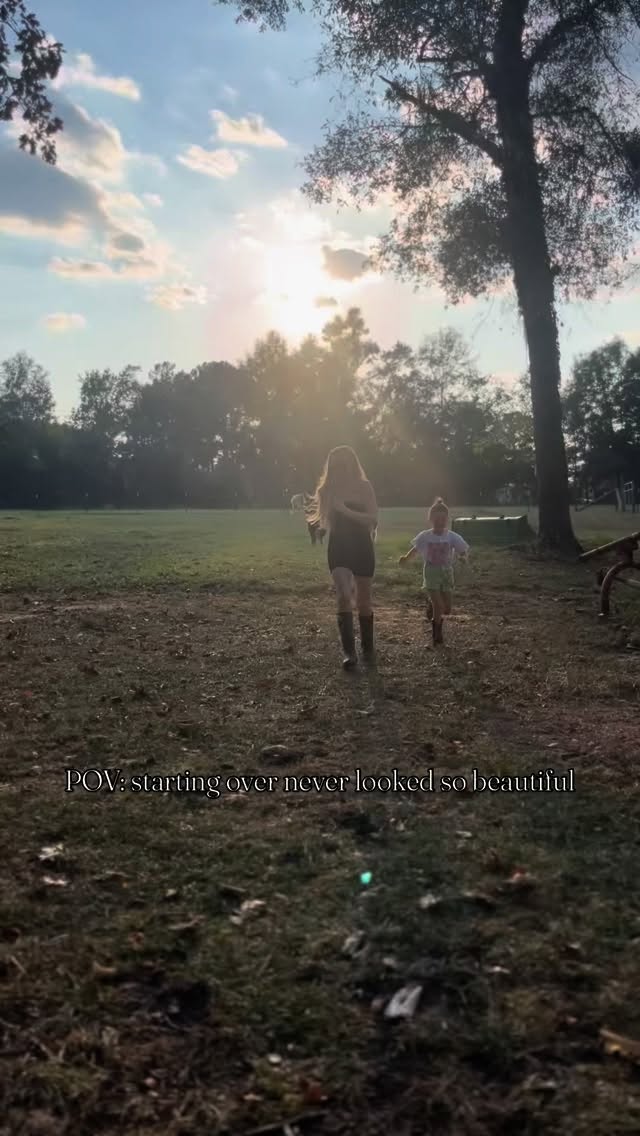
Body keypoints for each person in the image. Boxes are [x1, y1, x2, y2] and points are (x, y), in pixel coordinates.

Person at [308, 446, 378, 669]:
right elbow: (325, 518)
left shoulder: (364, 487)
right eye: (336, 464)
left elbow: (372, 519)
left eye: (344, 463)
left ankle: (368, 649)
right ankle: (349, 653)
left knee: (364, 601)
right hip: (338, 547)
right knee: (343, 594)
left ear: (352, 463)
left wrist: (345, 510)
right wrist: (320, 528)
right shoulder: (328, 488)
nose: (340, 468)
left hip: (362, 546)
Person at [399, 497, 469, 645]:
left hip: (446, 574)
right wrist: (406, 558)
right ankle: (437, 634)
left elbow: (462, 550)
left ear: (447, 519)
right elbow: (415, 549)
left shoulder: (451, 536)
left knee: (447, 609)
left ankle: (431, 605)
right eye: (437, 519)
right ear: (431, 519)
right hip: (431, 573)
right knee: (439, 605)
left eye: (443, 519)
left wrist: (463, 557)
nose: (440, 521)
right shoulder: (425, 536)